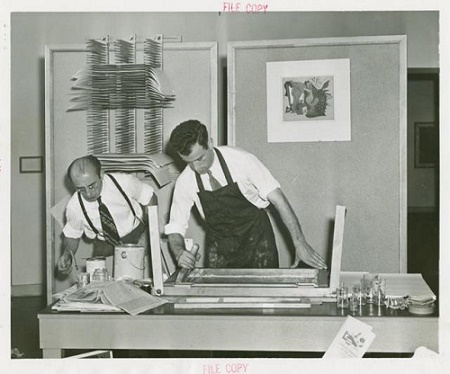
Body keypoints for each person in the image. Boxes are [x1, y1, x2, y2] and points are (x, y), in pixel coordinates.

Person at [165, 119, 327, 270]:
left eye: (200, 158)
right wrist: (179, 252)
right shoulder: (185, 181)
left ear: (210, 143)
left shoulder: (242, 161)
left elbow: (279, 200)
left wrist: (300, 244)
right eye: (189, 162)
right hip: (220, 247)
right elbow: (175, 226)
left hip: (257, 241)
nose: (196, 167)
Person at [57, 155, 155, 275]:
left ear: (101, 174)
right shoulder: (74, 206)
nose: (88, 193)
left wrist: (149, 234)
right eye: (81, 189)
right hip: (105, 247)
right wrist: (67, 253)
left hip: (137, 238)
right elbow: (73, 234)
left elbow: (150, 198)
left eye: (92, 186)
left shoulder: (123, 182)